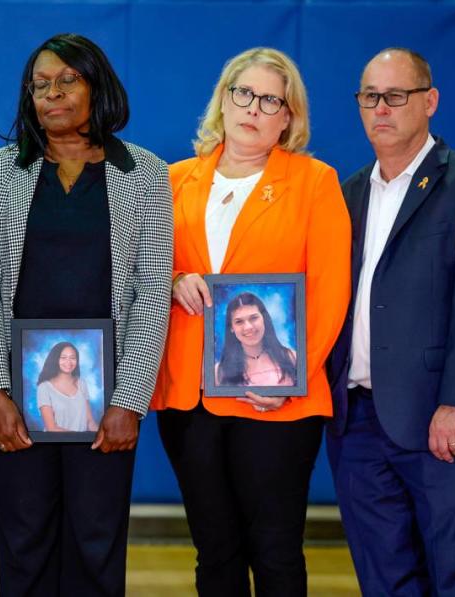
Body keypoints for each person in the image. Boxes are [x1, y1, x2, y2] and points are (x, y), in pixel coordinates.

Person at [0, 33, 172, 596]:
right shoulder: (3, 169)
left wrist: (130, 399)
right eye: (40, 84)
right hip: (21, 398)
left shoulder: (147, 174)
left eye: (67, 80)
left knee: (96, 542)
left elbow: (152, 295)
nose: (52, 93)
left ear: (96, 85)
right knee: (24, 540)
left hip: (106, 398)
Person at [150, 47, 351, 596]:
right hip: (190, 395)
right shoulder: (172, 180)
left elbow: (331, 291)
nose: (253, 109)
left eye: (270, 100)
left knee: (275, 547)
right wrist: (171, 282)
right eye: (244, 94)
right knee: (214, 550)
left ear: (289, 117)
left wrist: (291, 377)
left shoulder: (315, 182)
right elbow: (145, 270)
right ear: (224, 98)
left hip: (278, 400)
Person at [326, 48, 455, 596]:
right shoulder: (349, 191)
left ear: (429, 101)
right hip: (357, 422)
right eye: (369, 97)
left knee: (454, 574)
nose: (380, 109)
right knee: (383, 579)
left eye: (395, 96)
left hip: (440, 421)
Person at [216, 292, 297, 387]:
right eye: (239, 321)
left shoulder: (291, 357)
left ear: (264, 319)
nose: (248, 327)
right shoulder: (219, 371)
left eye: (253, 318)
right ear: (231, 328)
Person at [36, 342, 99, 432]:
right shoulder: (44, 387)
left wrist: (102, 434)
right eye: (63, 358)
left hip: (82, 443)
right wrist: (80, 438)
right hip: (55, 444)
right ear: (55, 359)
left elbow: (90, 422)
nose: (68, 362)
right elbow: (51, 428)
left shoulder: (82, 383)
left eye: (72, 358)